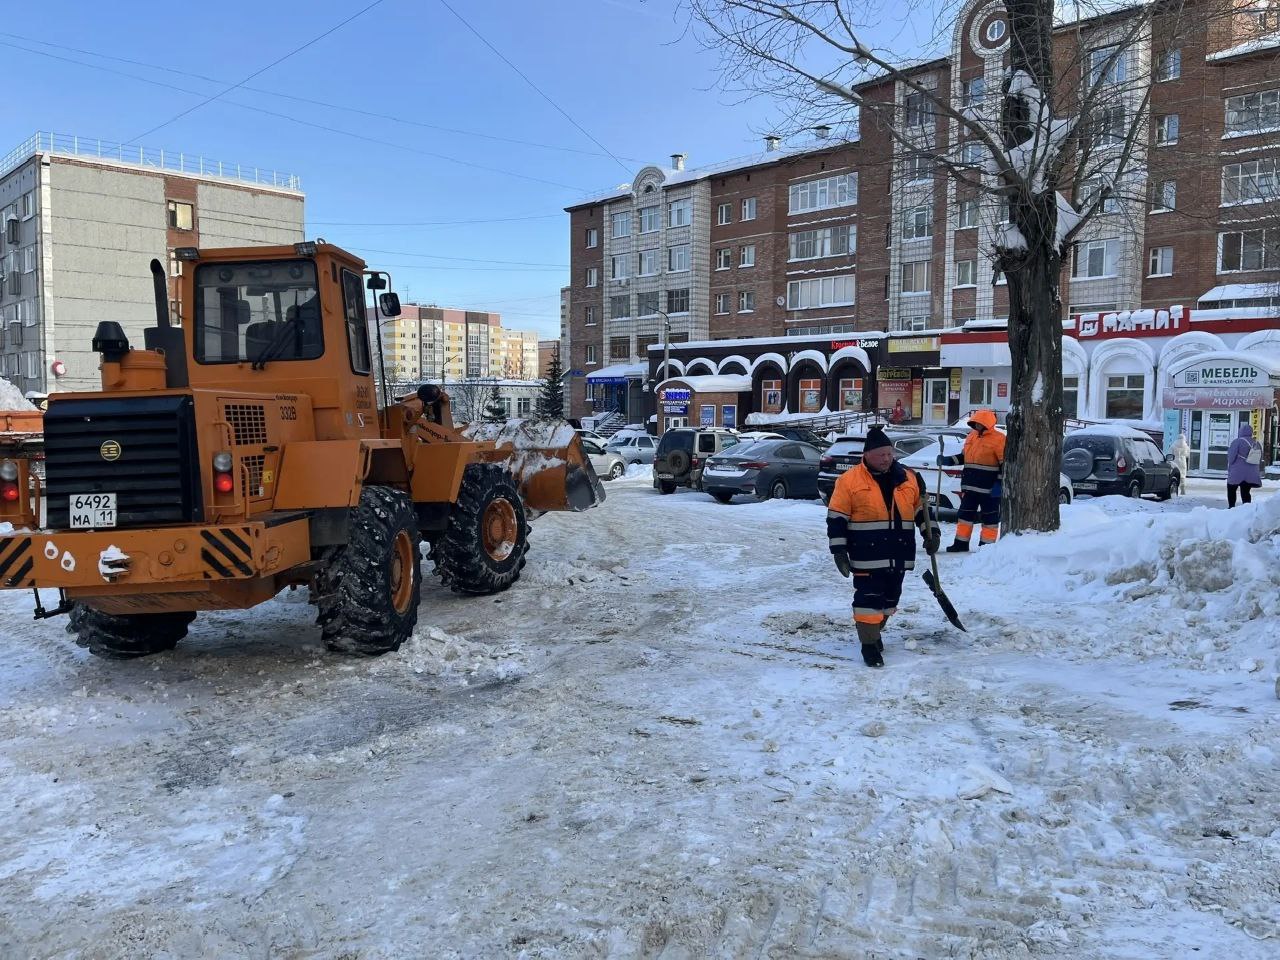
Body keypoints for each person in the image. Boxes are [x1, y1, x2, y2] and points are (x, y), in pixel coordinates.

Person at [827, 426, 939, 668]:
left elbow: (921, 511)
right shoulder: (849, 481)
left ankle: (873, 632)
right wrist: (838, 550)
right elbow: (837, 518)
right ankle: (869, 645)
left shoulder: (909, 478)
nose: (886, 459)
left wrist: (932, 534)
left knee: (890, 600)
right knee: (868, 599)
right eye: (881, 455)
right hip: (867, 554)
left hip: (898, 553)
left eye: (889, 454)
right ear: (867, 455)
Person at [939, 409, 1006, 551]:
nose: (977, 426)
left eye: (980, 423)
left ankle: (986, 547)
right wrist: (948, 461)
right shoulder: (971, 437)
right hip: (970, 487)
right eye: (975, 423)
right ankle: (960, 543)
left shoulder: (999, 439)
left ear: (988, 423)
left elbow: (1004, 465)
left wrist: (999, 484)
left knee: (989, 519)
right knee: (964, 516)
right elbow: (963, 457)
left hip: (989, 489)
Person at [1226, 424, 1263, 507]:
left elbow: (1231, 458)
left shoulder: (1237, 442)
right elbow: (1260, 458)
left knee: (1231, 488)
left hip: (1237, 472)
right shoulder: (1257, 443)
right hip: (1251, 473)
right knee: (1246, 491)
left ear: (1241, 431)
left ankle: (1231, 507)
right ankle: (1246, 509)